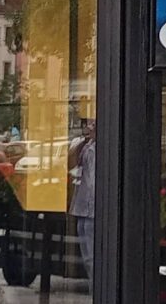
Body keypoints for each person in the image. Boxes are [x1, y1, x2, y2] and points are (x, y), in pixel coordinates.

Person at [67, 118, 97, 277]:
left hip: (90, 209)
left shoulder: (95, 149)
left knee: (91, 257)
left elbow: (93, 181)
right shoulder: (86, 147)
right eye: (87, 124)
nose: (88, 128)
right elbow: (73, 168)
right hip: (82, 207)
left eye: (92, 124)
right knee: (87, 257)